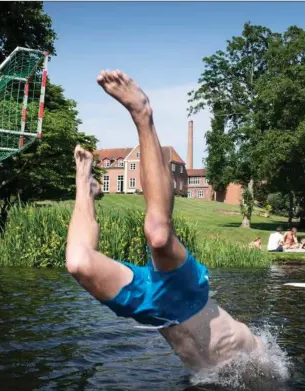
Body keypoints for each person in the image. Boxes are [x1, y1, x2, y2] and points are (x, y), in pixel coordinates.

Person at [65, 69, 265, 372]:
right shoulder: (262, 363)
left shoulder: (266, 363)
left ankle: (85, 188)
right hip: (186, 296)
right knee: (157, 233)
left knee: (78, 262)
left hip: (155, 311)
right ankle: (142, 114)